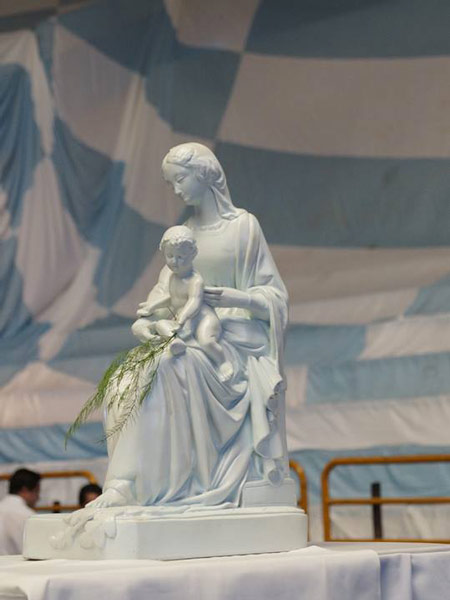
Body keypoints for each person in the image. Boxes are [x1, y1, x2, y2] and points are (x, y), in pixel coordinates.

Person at [89, 142, 289, 510]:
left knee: (164, 367)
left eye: (180, 180)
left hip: (232, 340)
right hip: (187, 333)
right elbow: (164, 293)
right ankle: (131, 482)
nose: (176, 190)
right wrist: (146, 325)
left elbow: (274, 298)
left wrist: (236, 298)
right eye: (171, 183)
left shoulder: (244, 227)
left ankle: (150, 482)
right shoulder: (181, 234)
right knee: (125, 376)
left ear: (204, 174)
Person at [137, 225, 233, 381]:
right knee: (161, 324)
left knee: (206, 341)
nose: (174, 262)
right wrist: (152, 307)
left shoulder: (195, 280)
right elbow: (172, 298)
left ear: (193, 254)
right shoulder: (173, 276)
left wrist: (181, 320)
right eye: (170, 256)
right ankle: (175, 343)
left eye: (180, 257)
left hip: (202, 319)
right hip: (184, 319)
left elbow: (194, 303)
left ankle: (223, 362)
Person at [0, 468, 40, 554]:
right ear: (24, 490)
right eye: (37, 491)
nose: (38, 498)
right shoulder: (29, 516)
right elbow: (36, 552)